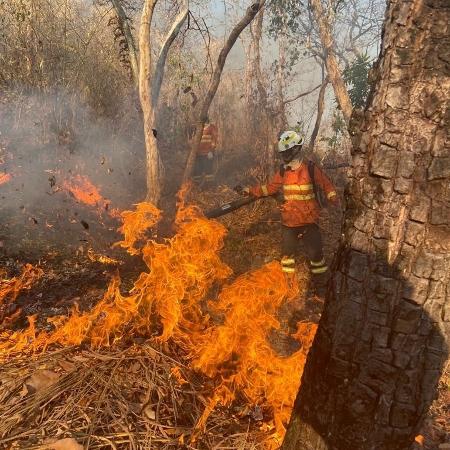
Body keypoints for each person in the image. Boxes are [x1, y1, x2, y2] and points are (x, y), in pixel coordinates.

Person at [235, 130, 339, 296]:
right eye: (283, 153)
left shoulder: (311, 169)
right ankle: (288, 285)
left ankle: (321, 287)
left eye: (287, 152)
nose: (285, 156)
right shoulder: (283, 171)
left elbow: (327, 185)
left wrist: (332, 199)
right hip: (289, 223)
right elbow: (269, 188)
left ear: (296, 150)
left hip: (309, 222)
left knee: (316, 256)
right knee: (287, 257)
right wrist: (249, 191)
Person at [193, 118, 218, 184]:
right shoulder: (198, 128)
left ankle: (209, 187)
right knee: (197, 171)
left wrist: (211, 151)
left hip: (207, 153)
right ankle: (197, 186)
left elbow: (214, 140)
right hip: (198, 153)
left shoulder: (212, 127)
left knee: (208, 170)